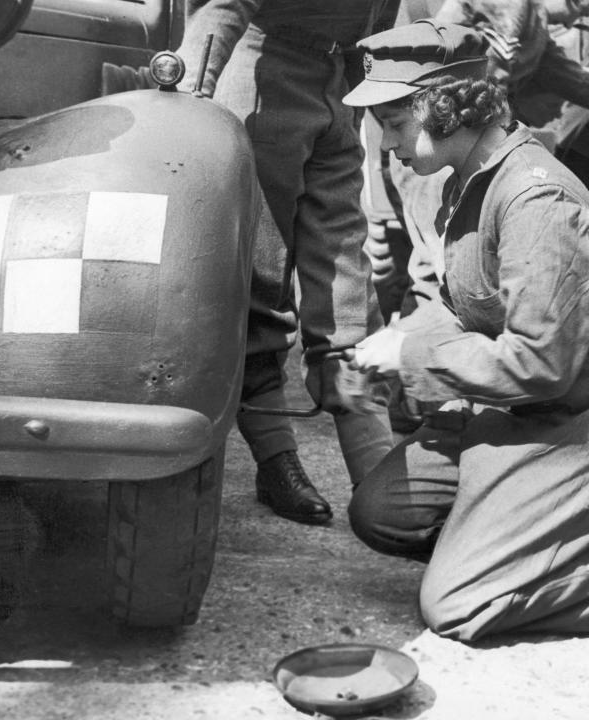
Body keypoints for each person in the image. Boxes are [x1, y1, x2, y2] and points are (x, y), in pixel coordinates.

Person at [341, 21, 589, 641]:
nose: (385, 143)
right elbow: (468, 305)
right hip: (523, 403)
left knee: (458, 606)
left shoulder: (533, 198)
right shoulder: (469, 181)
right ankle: (520, 543)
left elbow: (542, 363)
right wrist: (401, 341)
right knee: (384, 513)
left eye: (394, 123)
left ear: (442, 107)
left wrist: (414, 354)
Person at [176, 1, 401, 524]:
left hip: (340, 87)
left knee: (347, 286)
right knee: (262, 285)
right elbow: (224, 7)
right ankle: (276, 460)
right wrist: (190, 100)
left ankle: (381, 482)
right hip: (264, 81)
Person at [366, 0, 589, 324]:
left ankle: (420, 350)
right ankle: (415, 353)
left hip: (472, 151)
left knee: (455, 271)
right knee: (440, 267)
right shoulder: (512, 7)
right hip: (432, 147)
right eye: (580, 5)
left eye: (588, 10)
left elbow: (572, 80)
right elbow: (437, 44)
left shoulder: (537, 29)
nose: (579, 15)